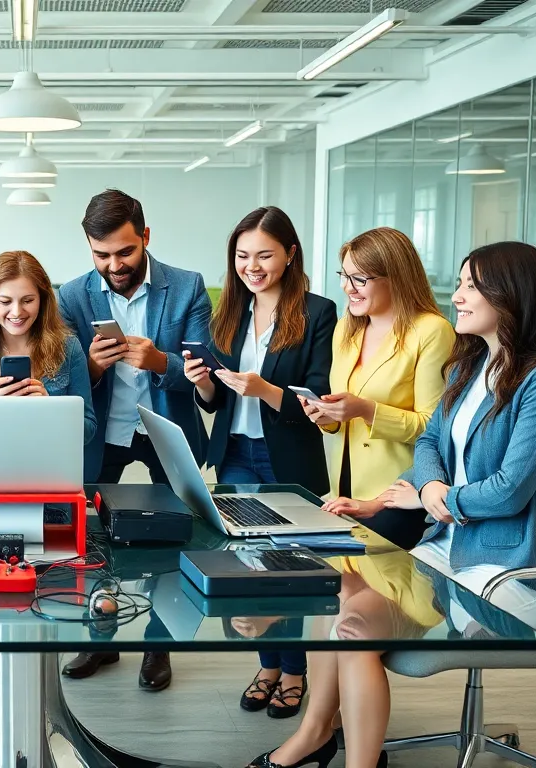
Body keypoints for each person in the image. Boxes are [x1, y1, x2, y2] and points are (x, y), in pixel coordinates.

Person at [254, 241, 536, 768]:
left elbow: (509, 490)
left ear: (514, 296)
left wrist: (436, 497)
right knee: (335, 598)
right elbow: (432, 443)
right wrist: (395, 498)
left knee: (354, 625)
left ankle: (349, 757)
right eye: (459, 284)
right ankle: (315, 733)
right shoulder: (475, 363)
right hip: (448, 555)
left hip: (509, 574)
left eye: (470, 287)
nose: (456, 297)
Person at [55, 188, 212, 691]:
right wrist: (93, 371)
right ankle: (99, 638)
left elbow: (207, 372)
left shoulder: (187, 288)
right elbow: (62, 379)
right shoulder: (72, 296)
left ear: (145, 237)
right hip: (105, 430)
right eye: (101, 255)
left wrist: (161, 362)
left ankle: (157, 644)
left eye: (125, 251)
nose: (114, 264)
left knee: (175, 537)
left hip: (165, 426)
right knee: (92, 536)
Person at [183, 206, 336, 719]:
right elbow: (214, 403)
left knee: (287, 567)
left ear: (290, 254)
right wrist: (202, 380)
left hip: (288, 457)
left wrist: (264, 389)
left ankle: (294, 672)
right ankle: (268, 664)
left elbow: (317, 402)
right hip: (236, 455)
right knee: (249, 567)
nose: (252, 266)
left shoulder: (318, 312)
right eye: (243, 256)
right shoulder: (227, 310)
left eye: (264, 255)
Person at [309, 227, 456, 550]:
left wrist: (367, 409)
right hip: (342, 488)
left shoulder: (431, 331)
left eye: (360, 279)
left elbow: (435, 428)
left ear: (396, 277)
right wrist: (327, 416)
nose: (348, 288)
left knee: (369, 591)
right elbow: (342, 420)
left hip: (397, 493)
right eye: (344, 276)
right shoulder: (347, 327)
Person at [0, 250, 96, 439]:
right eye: (5, 302)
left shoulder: (68, 348)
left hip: (49, 464)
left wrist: (51, 410)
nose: (17, 312)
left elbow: (88, 431)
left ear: (42, 300)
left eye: (28, 300)